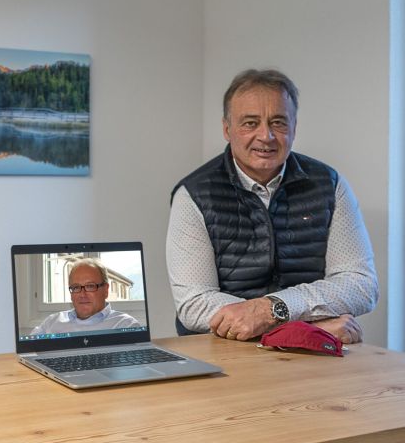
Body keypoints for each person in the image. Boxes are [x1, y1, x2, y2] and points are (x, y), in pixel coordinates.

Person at [166, 68, 378, 344]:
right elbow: (194, 304)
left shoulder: (330, 184)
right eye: (250, 123)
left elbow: (361, 286)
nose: (266, 136)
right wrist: (302, 330)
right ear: (227, 128)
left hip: (317, 354)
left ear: (294, 127)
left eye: (278, 122)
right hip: (224, 353)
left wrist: (272, 310)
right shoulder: (193, 194)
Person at [31, 258, 141, 335]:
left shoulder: (126, 326)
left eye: (90, 286)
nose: (82, 294)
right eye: (76, 287)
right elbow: (27, 353)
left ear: (106, 290)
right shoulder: (51, 323)